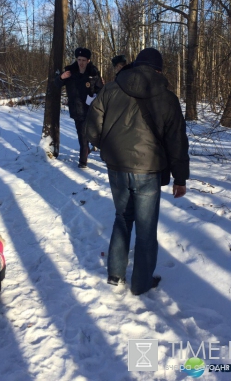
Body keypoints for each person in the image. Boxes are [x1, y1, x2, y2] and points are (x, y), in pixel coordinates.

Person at [85, 48, 189, 295]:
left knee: (122, 218)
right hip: (149, 171)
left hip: (118, 167)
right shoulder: (168, 98)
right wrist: (180, 177)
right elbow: (177, 141)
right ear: (159, 70)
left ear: (135, 65)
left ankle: (115, 274)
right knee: (146, 228)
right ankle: (141, 283)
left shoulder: (110, 89)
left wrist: (106, 145)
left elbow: (91, 128)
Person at [56, 47, 103, 168]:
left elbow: (101, 91)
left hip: (92, 111)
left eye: (83, 60)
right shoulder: (70, 72)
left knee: (94, 134)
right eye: (79, 59)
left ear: (88, 60)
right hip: (77, 110)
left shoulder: (93, 73)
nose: (81, 62)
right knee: (82, 135)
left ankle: (89, 151)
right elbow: (56, 84)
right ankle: (83, 161)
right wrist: (61, 78)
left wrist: (101, 85)